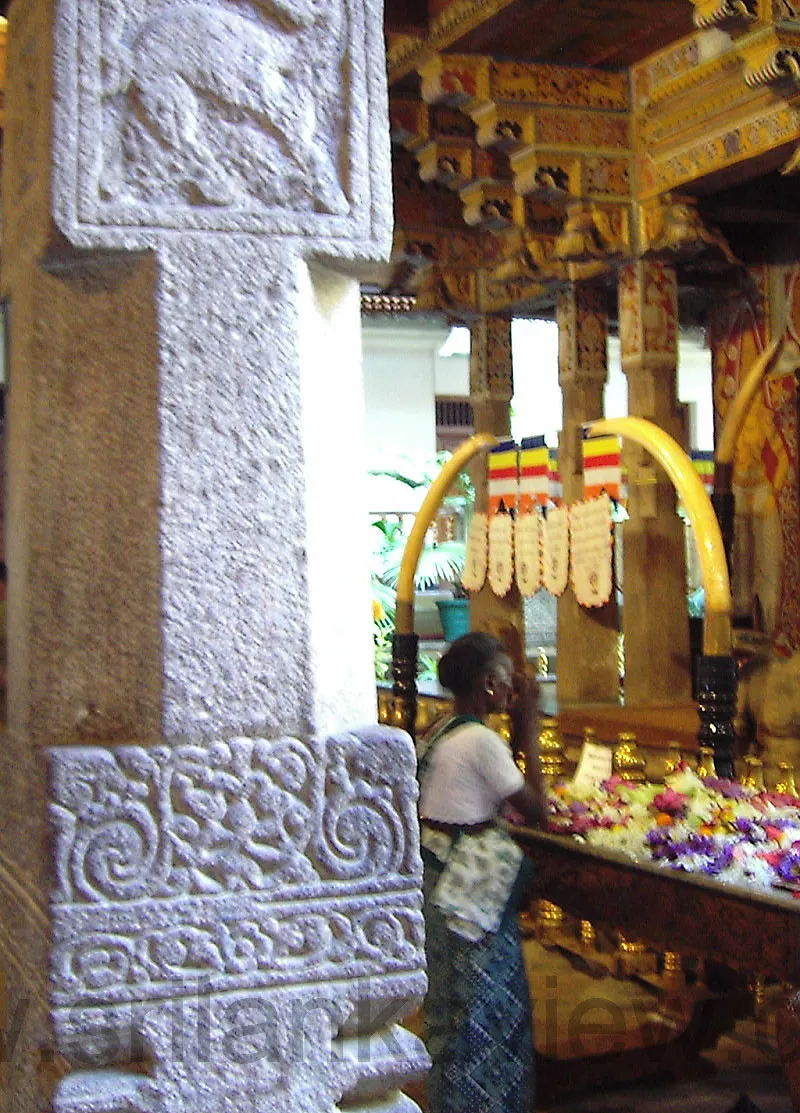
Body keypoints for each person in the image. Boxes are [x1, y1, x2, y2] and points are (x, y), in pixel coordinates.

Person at [418, 632, 547, 1113]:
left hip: (438, 881)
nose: (515, 689)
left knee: (450, 1009)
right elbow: (538, 809)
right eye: (510, 681)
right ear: (491, 686)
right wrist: (529, 725)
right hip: (468, 893)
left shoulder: (442, 727)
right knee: (484, 1010)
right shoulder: (481, 740)